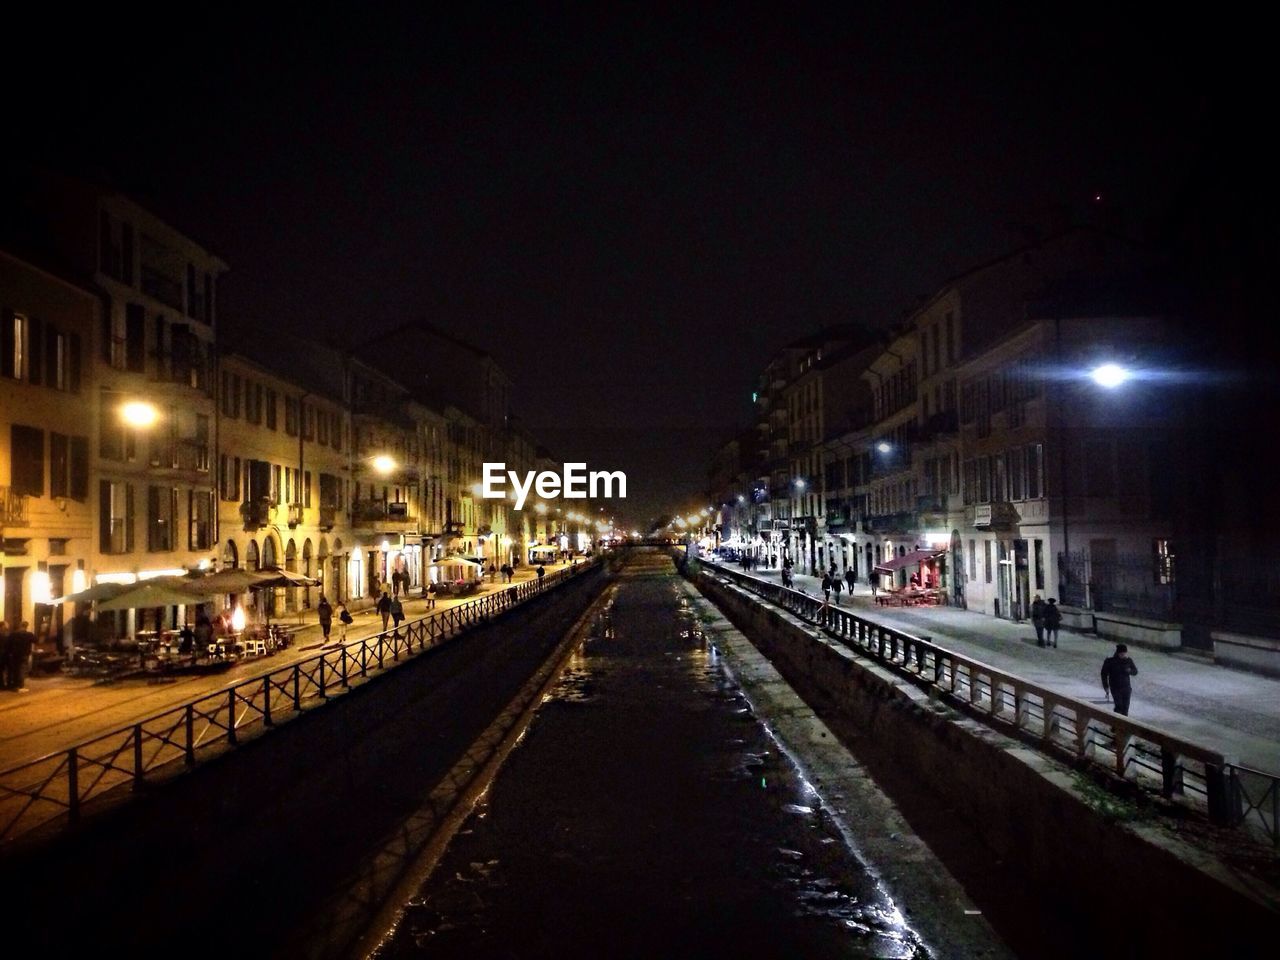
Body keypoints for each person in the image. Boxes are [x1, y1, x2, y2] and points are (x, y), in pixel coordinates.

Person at [1101, 644, 1139, 715]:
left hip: (1126, 688)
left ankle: (1123, 725)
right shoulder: (1110, 661)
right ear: (1118, 653)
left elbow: (1135, 671)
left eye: (1124, 653)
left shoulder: (1128, 660)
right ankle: (1116, 724)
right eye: (1121, 654)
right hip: (1115, 688)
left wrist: (1130, 671)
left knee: (1125, 708)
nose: (1123, 655)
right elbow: (1104, 674)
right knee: (1119, 707)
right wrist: (1106, 686)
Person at [7, 621, 36, 691]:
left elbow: (8, 643)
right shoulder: (29, 634)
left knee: (15, 669)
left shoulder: (13, 634)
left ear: (20, 626)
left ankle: (14, 685)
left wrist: (10, 652)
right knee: (22, 669)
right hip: (25, 654)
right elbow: (36, 640)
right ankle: (20, 685)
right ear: (26, 626)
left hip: (15, 654)